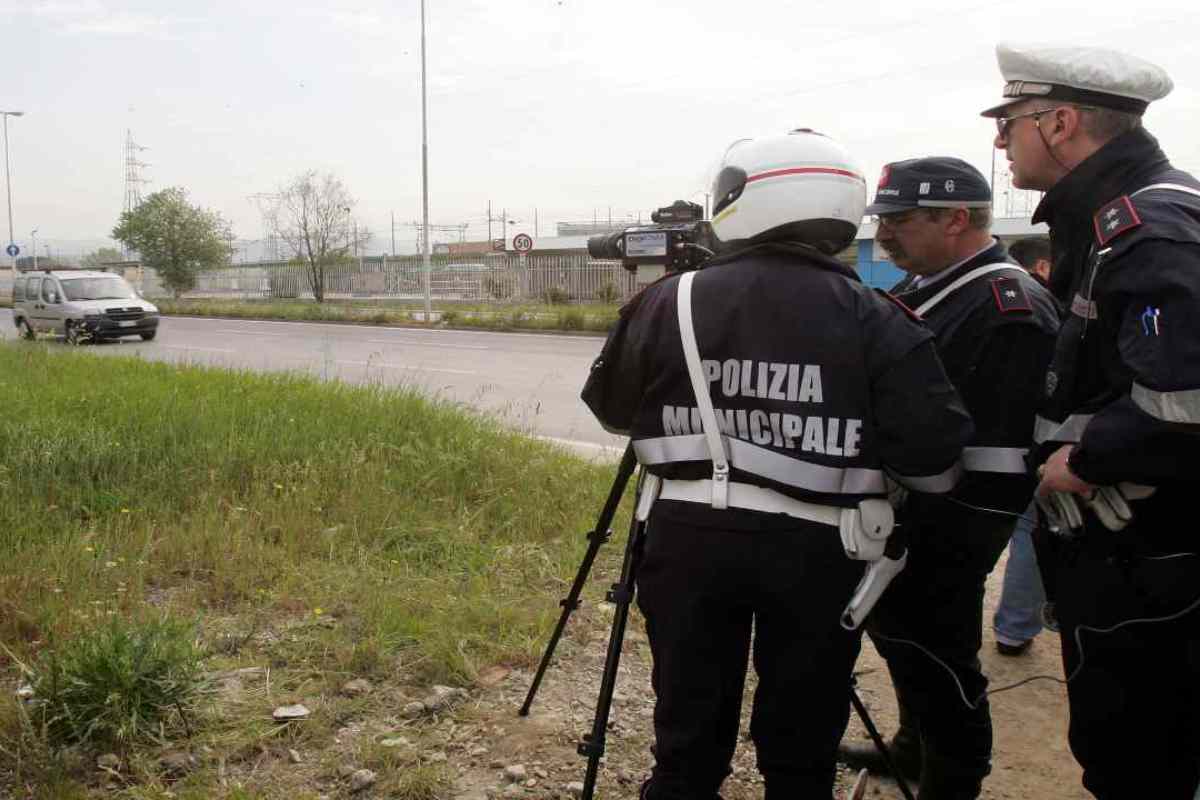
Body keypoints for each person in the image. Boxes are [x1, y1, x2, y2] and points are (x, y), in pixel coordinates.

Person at [582, 129, 973, 800]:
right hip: (821, 555)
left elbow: (613, 411)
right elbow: (935, 462)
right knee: (802, 744)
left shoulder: (665, 300)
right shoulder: (880, 316)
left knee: (685, 738)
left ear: (741, 201)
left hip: (686, 541)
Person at [982, 42, 1200, 799]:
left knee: (1138, 760)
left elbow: (1186, 400)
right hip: (1140, 555)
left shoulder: (1147, 223)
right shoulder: (1124, 214)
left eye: (1008, 123)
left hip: (1152, 560)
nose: (999, 141)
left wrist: (1085, 457)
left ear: (1061, 121)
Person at [836, 158, 1059, 798]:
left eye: (901, 221)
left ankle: (954, 778)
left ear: (956, 218)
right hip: (917, 504)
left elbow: (979, 441)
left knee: (937, 648)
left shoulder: (1004, 307)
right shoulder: (931, 287)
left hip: (957, 514)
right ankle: (911, 749)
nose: (886, 236)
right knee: (900, 635)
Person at [992, 235, 1055, 656]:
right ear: (1044, 267)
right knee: (1033, 527)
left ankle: (1013, 628)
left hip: (999, 441)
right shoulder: (1049, 302)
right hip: (1044, 438)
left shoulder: (997, 296)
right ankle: (1016, 626)